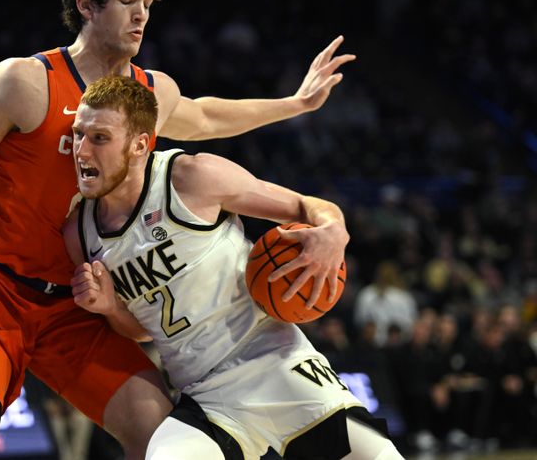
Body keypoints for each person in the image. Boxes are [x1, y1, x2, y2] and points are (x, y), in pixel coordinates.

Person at [0, 0, 354, 459]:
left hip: (76, 304)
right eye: (128, 1)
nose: (141, 16)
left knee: (162, 436)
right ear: (86, 4)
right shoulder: (26, 81)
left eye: (148, 4)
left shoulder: (147, 96)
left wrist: (294, 103)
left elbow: (206, 116)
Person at [64, 75, 404, 460]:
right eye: (78, 134)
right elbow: (143, 329)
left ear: (140, 143)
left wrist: (335, 230)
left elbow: (308, 207)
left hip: (278, 362)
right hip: (207, 395)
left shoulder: (192, 178)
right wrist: (110, 307)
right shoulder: (80, 234)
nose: (80, 150)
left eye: (99, 138)